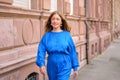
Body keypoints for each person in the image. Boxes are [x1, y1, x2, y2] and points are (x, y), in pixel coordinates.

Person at [36, 11, 80, 80]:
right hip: (51, 64)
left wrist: (75, 68)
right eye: (53, 19)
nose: (55, 21)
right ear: (50, 21)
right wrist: (41, 64)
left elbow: (72, 51)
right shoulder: (46, 36)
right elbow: (41, 50)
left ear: (61, 22)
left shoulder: (67, 35)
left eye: (57, 19)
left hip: (65, 63)